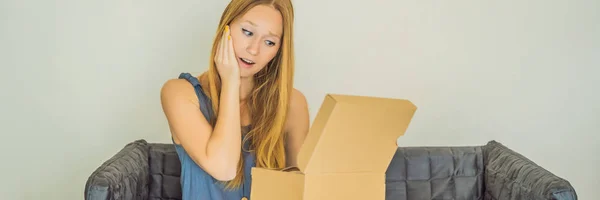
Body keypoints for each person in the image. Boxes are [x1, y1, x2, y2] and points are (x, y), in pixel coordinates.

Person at [160, 0, 309, 199]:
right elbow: (224, 168)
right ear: (226, 28)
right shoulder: (179, 93)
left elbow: (303, 187)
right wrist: (231, 81)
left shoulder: (292, 104)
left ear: (278, 51)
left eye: (269, 42)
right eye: (247, 32)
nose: (254, 49)